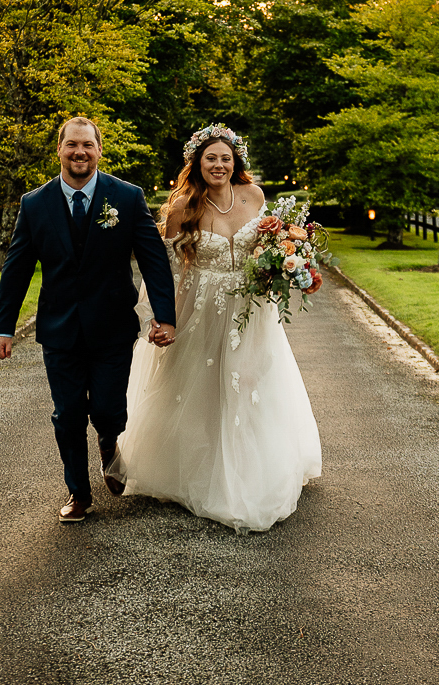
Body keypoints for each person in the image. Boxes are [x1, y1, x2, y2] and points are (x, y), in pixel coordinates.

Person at [107, 124, 323, 532]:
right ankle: (196, 471)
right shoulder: (181, 208)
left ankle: (253, 470)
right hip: (200, 310)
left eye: (225, 158)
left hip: (251, 310)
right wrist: (160, 317)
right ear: (197, 163)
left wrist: (282, 267)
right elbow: (165, 271)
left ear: (235, 161)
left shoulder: (254, 197)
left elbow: (268, 249)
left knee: (251, 383)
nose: (219, 165)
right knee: (198, 389)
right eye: (211, 158)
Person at [0, 117, 178, 523]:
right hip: (59, 330)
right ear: (59, 149)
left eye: (87, 146)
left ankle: (109, 443)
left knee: (111, 410)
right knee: (68, 413)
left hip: (112, 326)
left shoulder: (126, 198)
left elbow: (154, 261)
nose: (79, 152)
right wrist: (3, 327)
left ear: (98, 150)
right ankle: (78, 492)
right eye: (72, 145)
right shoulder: (34, 204)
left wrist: (166, 316)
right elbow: (17, 267)